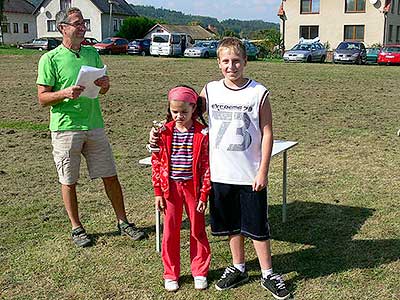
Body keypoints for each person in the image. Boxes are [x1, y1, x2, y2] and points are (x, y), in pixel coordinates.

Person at [150, 37, 290, 299]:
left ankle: (268, 273)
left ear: (245, 62)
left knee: (257, 227)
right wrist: (162, 132)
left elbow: (267, 131)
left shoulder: (258, 92)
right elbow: (184, 111)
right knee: (230, 227)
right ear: (218, 63)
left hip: (249, 173)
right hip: (220, 173)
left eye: (236, 61)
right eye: (225, 61)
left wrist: (263, 171)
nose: (231, 66)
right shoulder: (210, 90)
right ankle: (238, 267)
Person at [36, 7, 147, 248]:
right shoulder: (49, 59)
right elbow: (42, 98)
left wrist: (105, 84)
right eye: (77, 23)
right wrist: (64, 93)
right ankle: (77, 228)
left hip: (95, 125)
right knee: (69, 180)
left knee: (110, 176)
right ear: (62, 28)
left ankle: (123, 221)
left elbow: (103, 89)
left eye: (84, 23)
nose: (82, 27)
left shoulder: (92, 54)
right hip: (66, 128)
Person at [151, 86, 211, 292]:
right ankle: (171, 273)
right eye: (175, 112)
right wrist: (158, 192)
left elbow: (206, 166)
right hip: (171, 191)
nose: (179, 116)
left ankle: (200, 271)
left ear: (194, 109)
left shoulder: (202, 134)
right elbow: (157, 163)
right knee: (170, 232)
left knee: (197, 230)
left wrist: (204, 194)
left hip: (194, 190)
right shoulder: (163, 132)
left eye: (184, 112)